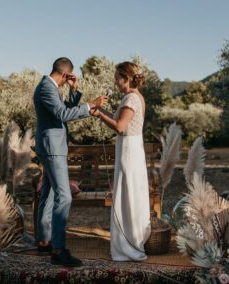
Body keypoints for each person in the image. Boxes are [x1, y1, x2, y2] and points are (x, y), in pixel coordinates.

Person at [33, 57, 108, 267]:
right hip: (52, 148)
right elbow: (63, 114)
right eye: (70, 79)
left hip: (51, 147)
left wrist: (74, 91)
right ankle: (58, 249)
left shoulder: (50, 86)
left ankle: (44, 241)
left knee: (48, 193)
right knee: (64, 196)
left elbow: (64, 109)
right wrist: (91, 104)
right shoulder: (46, 88)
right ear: (66, 75)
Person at [91, 61, 151, 261]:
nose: (115, 82)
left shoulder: (131, 99)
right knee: (130, 193)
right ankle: (132, 240)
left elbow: (120, 127)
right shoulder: (134, 97)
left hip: (129, 151)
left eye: (117, 78)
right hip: (132, 148)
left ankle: (128, 245)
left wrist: (99, 114)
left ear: (126, 78)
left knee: (128, 194)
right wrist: (100, 113)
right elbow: (120, 122)